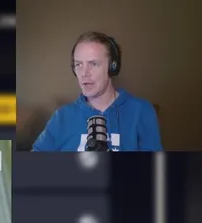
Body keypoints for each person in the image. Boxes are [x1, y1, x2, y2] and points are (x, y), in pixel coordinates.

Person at [31, 32, 162, 152]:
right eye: (78, 64)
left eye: (93, 64)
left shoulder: (141, 111)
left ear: (112, 67)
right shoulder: (61, 117)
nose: (84, 73)